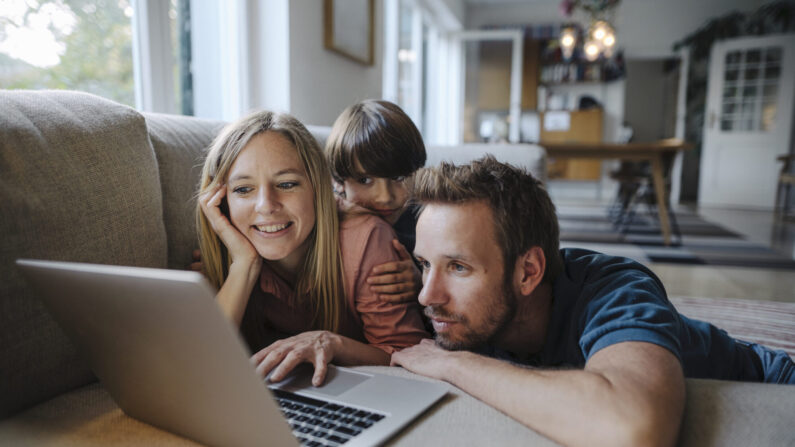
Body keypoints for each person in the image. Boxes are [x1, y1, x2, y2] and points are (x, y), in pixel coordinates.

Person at [391, 156, 795, 447]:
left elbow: (633, 430)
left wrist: (453, 363)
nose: (428, 294)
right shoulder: (460, 308)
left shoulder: (616, 290)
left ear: (528, 272)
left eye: (458, 267)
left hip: (768, 389)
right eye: (425, 264)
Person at [197, 110, 427, 386]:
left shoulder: (369, 238)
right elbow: (198, 369)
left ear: (319, 188)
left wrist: (333, 343)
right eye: (243, 190)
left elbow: (411, 359)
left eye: (287, 184)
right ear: (222, 202)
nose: (266, 206)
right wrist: (243, 267)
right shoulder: (230, 247)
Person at [325, 99, 427, 303]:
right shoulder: (326, 225)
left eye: (398, 178)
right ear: (338, 182)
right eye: (365, 180)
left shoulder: (427, 221)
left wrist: (422, 283)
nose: (385, 197)